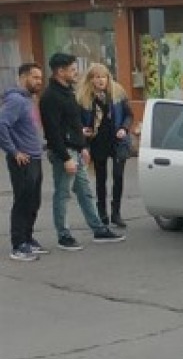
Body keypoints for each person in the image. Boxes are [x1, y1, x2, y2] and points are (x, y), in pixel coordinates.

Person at [39, 53, 125, 251]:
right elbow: (52, 132)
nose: (76, 73)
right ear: (60, 71)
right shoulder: (50, 97)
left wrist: (83, 147)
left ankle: (99, 230)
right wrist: (67, 157)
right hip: (64, 153)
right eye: (72, 70)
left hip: (76, 151)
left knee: (85, 192)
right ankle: (63, 235)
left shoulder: (68, 91)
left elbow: (75, 124)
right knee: (62, 194)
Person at [76, 63, 133, 228]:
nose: (100, 80)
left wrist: (124, 128)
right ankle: (102, 214)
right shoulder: (84, 97)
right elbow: (77, 120)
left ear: (108, 78)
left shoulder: (118, 93)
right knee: (101, 179)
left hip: (118, 140)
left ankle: (116, 213)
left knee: (118, 176)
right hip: (98, 141)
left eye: (103, 76)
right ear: (91, 80)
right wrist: (82, 129)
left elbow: (129, 114)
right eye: (96, 77)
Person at [0, 63, 47, 261]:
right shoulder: (16, 100)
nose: (39, 82)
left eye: (40, 78)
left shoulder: (29, 100)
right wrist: (14, 151)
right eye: (35, 78)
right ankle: (18, 245)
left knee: (33, 201)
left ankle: (28, 239)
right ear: (24, 77)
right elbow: (1, 124)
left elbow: (28, 128)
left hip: (35, 158)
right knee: (23, 201)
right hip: (22, 161)